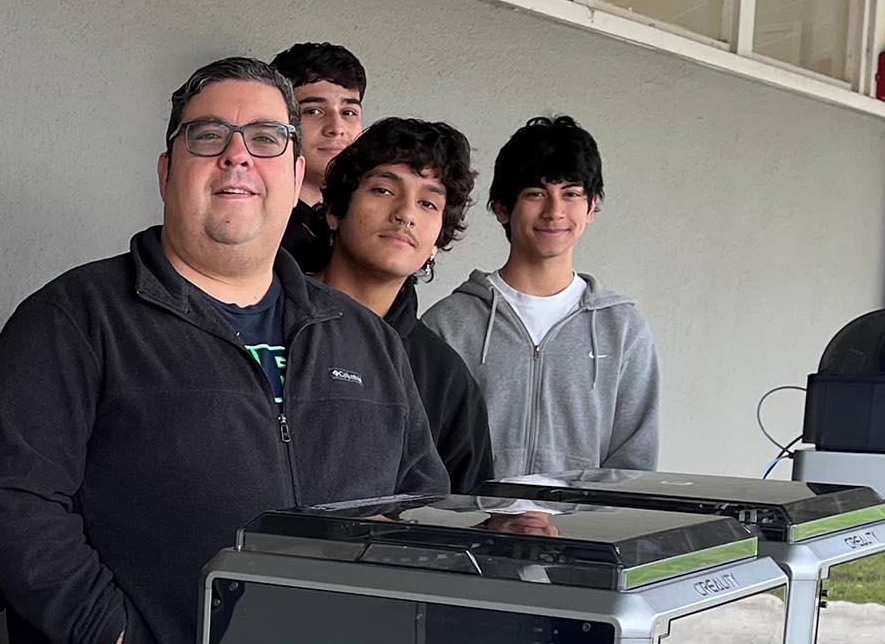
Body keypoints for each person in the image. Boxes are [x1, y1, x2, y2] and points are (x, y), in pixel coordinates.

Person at [0, 56, 447, 644]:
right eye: (208, 137)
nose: (238, 158)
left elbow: (423, 513)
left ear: (301, 178)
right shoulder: (78, 319)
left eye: (267, 140)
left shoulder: (363, 343)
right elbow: (16, 508)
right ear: (167, 170)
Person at [424, 116, 660, 474]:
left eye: (571, 194)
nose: (554, 212)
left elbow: (635, 460)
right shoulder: (448, 324)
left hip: (582, 531)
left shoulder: (623, 328)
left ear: (591, 206)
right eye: (536, 194)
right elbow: (423, 454)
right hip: (473, 526)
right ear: (502, 207)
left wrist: (579, 522)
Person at [314, 117, 494, 491]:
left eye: (428, 202)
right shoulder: (269, 321)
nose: (406, 214)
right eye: (383, 190)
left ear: (438, 238)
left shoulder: (444, 377)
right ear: (334, 210)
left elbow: (465, 518)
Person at [269, 41, 366, 273]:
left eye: (348, 112)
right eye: (313, 111)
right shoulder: (257, 223)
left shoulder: (369, 221)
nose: (336, 127)